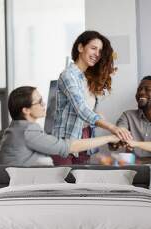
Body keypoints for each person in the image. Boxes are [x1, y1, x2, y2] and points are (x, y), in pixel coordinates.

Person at [52, 30, 132, 165]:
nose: (97, 54)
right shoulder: (68, 76)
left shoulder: (87, 78)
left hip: (85, 138)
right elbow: (81, 109)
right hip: (65, 141)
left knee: (82, 183)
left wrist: (98, 115)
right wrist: (112, 128)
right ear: (80, 47)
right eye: (93, 48)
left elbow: (88, 110)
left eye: (100, 51)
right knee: (64, 184)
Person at [0, 86, 120, 166]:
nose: (44, 104)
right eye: (39, 102)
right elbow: (68, 147)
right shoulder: (28, 130)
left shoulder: (15, 128)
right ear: (26, 110)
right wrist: (109, 138)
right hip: (15, 190)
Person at [111, 75, 151, 157]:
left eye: (147, 90)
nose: (141, 92)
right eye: (139, 90)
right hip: (132, 168)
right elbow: (115, 142)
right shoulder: (127, 116)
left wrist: (141, 161)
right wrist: (116, 142)